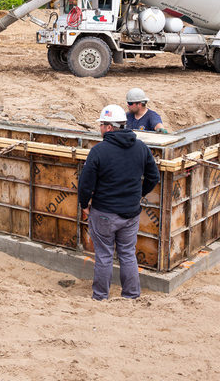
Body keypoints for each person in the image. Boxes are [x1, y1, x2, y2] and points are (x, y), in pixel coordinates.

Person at [78, 104, 161, 300]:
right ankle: (131, 295)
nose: (99, 129)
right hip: (130, 214)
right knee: (127, 255)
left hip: (104, 213)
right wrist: (138, 194)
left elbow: (85, 185)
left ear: (108, 127)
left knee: (105, 256)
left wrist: (84, 204)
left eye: (101, 125)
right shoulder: (141, 147)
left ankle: (100, 297)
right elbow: (153, 176)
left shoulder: (99, 151)